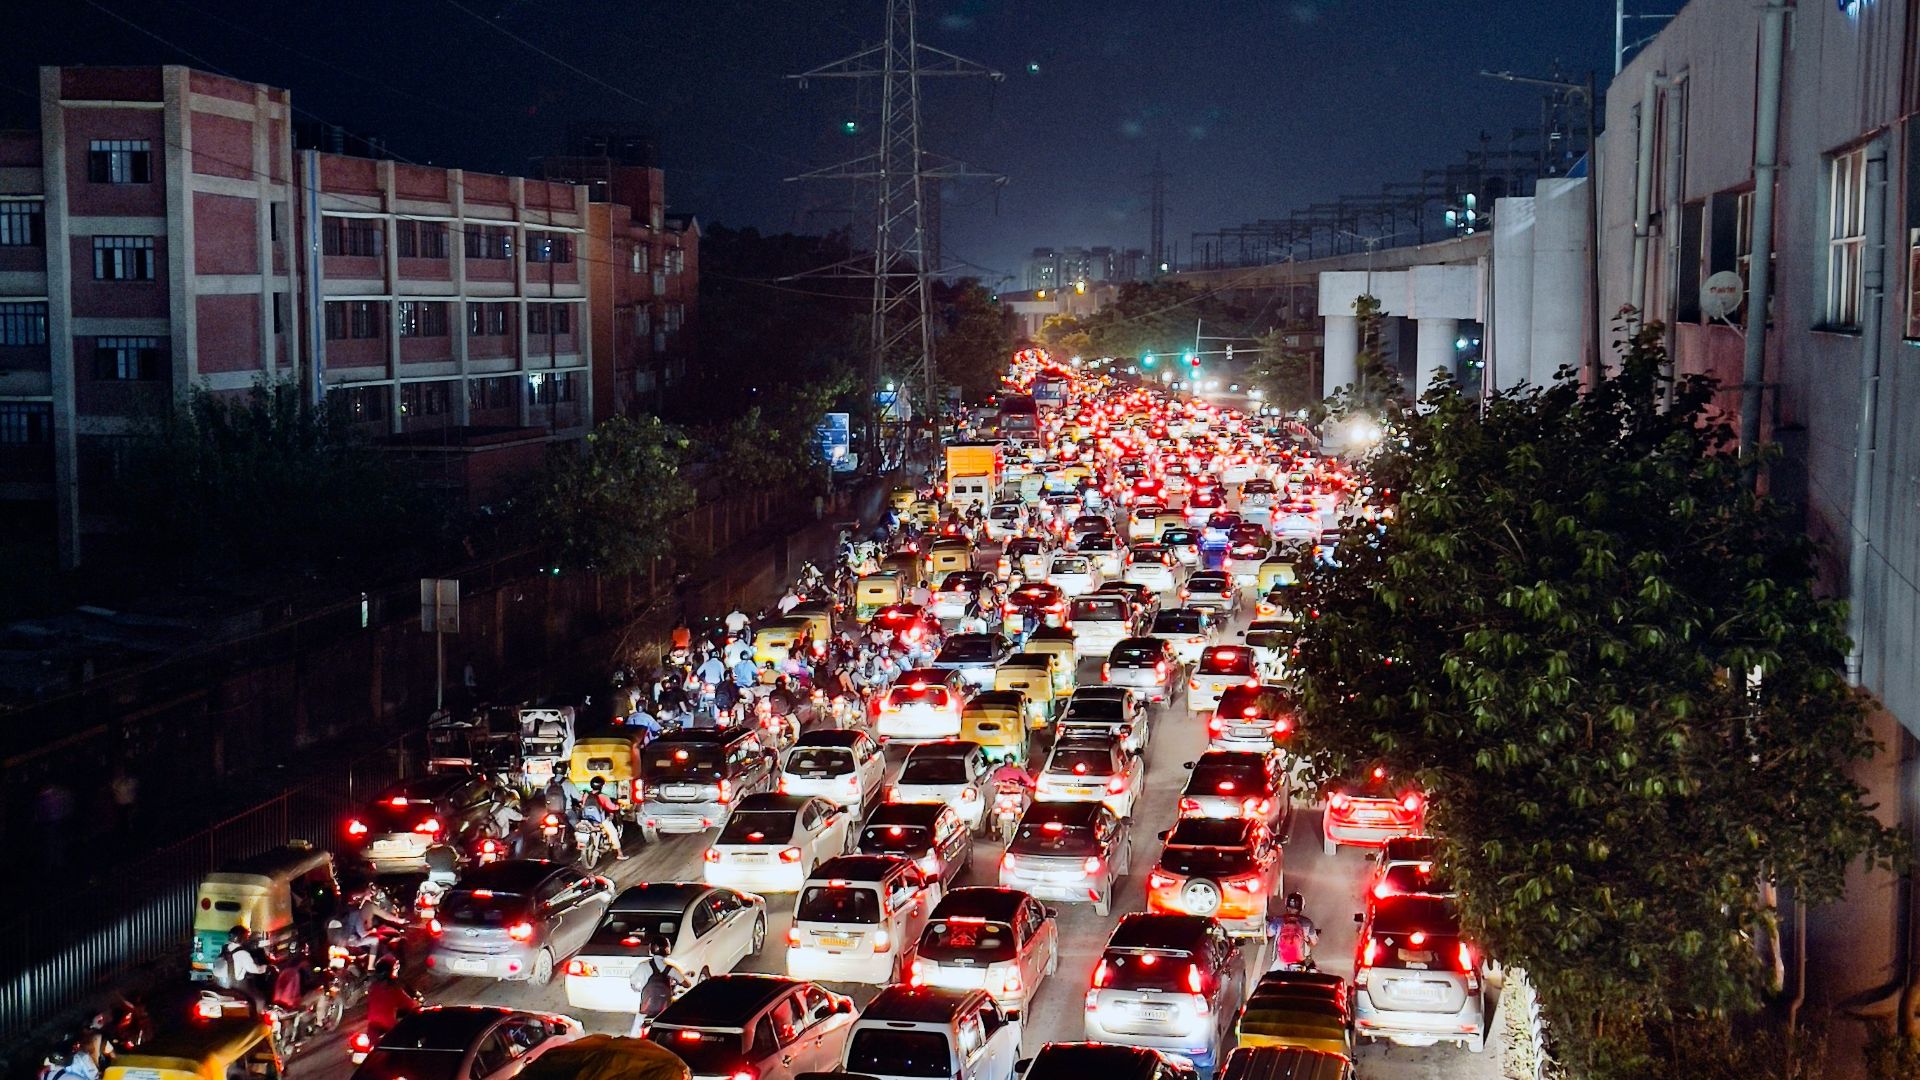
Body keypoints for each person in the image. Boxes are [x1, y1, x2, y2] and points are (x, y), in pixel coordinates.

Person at [627, 933, 692, 1036]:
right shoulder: (671, 969)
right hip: (664, 1012)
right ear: (667, 950)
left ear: (651, 948)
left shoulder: (642, 966)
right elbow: (687, 984)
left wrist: (638, 988)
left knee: (635, 1034)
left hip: (646, 1010)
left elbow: (634, 984)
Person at [213, 925, 268, 1012]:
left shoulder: (224, 948)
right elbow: (255, 969)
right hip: (237, 987)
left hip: (220, 985)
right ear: (242, 938)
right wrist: (266, 968)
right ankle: (256, 1021)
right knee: (260, 999)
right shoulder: (243, 953)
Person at [364, 959, 419, 1042]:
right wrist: (417, 1003)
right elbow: (410, 1005)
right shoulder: (394, 990)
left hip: (372, 1026)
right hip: (388, 1026)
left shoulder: (373, 987)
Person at [1268, 893, 1320, 970]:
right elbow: (1314, 942)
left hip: (1282, 960)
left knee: (1270, 978)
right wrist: (1308, 942)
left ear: (1287, 905)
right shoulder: (1307, 923)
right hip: (1301, 961)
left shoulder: (1278, 921)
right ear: (1301, 907)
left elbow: (1269, 933)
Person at [580, 777, 624, 859]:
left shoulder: (586, 794)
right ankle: (620, 854)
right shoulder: (603, 796)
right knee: (613, 832)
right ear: (601, 786)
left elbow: (582, 805)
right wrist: (618, 806)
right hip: (600, 821)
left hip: (587, 820)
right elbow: (612, 807)